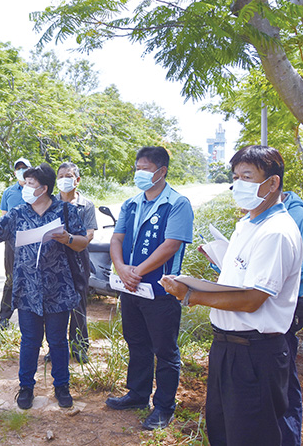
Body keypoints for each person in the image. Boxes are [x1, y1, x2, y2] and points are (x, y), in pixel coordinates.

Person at [161, 145, 303, 446]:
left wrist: (191, 295)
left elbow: (253, 299)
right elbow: (242, 283)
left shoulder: (276, 231)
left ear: (273, 183)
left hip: (255, 352)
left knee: (254, 435)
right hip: (228, 348)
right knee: (226, 430)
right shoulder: (247, 223)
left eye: (247, 176)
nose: (238, 184)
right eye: (235, 176)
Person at [0, 163, 89, 410]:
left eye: (30, 184)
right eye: (25, 183)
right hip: (27, 290)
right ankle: (26, 388)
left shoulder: (66, 211)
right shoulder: (18, 213)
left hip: (58, 290)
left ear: (43, 188)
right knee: (30, 341)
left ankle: (62, 386)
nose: (25, 187)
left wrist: (68, 239)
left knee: (58, 341)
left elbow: (82, 242)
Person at [106, 146, 194, 430]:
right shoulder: (131, 203)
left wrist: (137, 272)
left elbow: (171, 244)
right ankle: (138, 394)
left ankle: (164, 407)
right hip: (131, 290)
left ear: (161, 171)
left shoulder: (177, 204)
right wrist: (122, 268)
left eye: (145, 168)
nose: (139, 173)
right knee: (137, 342)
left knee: (165, 350)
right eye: (137, 168)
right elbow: (116, 238)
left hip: (161, 290)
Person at [56, 161, 97, 363]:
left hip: (78, 257)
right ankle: (56, 346)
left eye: (68, 176)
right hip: (54, 260)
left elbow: (89, 234)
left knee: (78, 303)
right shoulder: (51, 203)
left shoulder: (86, 205)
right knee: (56, 305)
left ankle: (80, 346)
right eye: (61, 176)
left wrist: (73, 240)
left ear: (77, 180)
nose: (64, 180)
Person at [0, 157, 32, 329]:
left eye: (24, 168)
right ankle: (4, 318)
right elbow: (4, 216)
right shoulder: (9, 192)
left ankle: (32, 319)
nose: (21, 171)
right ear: (14, 172)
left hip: (33, 240)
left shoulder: (37, 191)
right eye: (18, 168)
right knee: (11, 279)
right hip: (12, 242)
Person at [280, 189, 303, 446]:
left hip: (292, 300)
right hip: (267, 300)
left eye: (247, 177)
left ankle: (288, 437)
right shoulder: (255, 217)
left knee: (283, 371)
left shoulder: (295, 216)